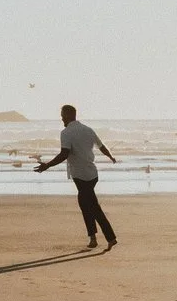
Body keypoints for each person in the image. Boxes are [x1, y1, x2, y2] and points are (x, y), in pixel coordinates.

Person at [33, 103, 118, 249]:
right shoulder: (88, 130)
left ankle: (110, 238)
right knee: (86, 204)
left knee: (92, 206)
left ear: (68, 115)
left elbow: (64, 154)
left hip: (80, 175)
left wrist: (47, 165)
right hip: (92, 174)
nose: (61, 120)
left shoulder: (66, 133)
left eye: (62, 116)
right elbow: (101, 146)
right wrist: (110, 156)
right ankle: (93, 239)